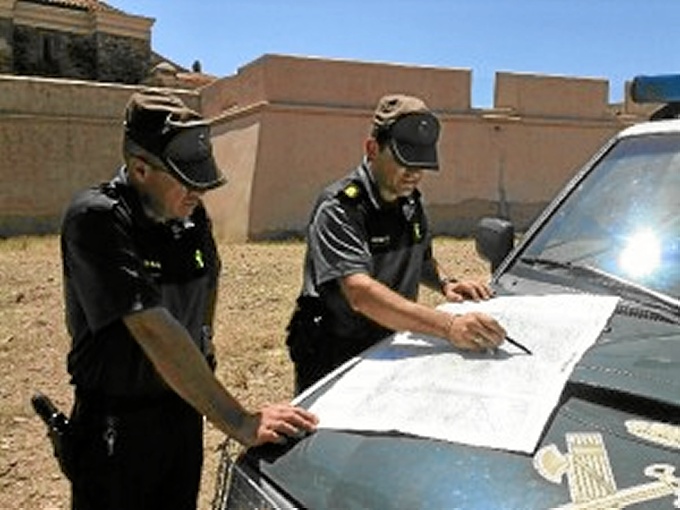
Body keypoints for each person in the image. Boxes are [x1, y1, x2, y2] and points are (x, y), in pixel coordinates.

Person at [60, 88, 317, 510]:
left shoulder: (191, 216)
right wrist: (239, 419)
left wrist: (204, 353)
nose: (199, 192)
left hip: (182, 415)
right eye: (186, 179)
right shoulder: (98, 218)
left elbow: (207, 291)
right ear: (141, 169)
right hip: (117, 427)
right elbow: (150, 326)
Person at [286, 93, 507, 393]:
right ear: (372, 149)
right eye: (404, 160)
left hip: (389, 344)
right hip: (336, 354)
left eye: (422, 164)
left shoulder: (410, 202)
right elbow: (360, 293)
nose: (415, 174)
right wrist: (449, 327)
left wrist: (445, 283)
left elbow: (422, 258)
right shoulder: (341, 208)